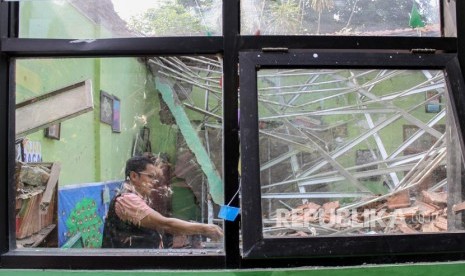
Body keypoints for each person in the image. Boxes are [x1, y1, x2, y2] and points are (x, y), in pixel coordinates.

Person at [102, 155, 223, 248]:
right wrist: (204, 229)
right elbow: (164, 224)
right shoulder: (127, 200)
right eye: (150, 176)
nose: (155, 182)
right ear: (134, 176)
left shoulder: (137, 197)